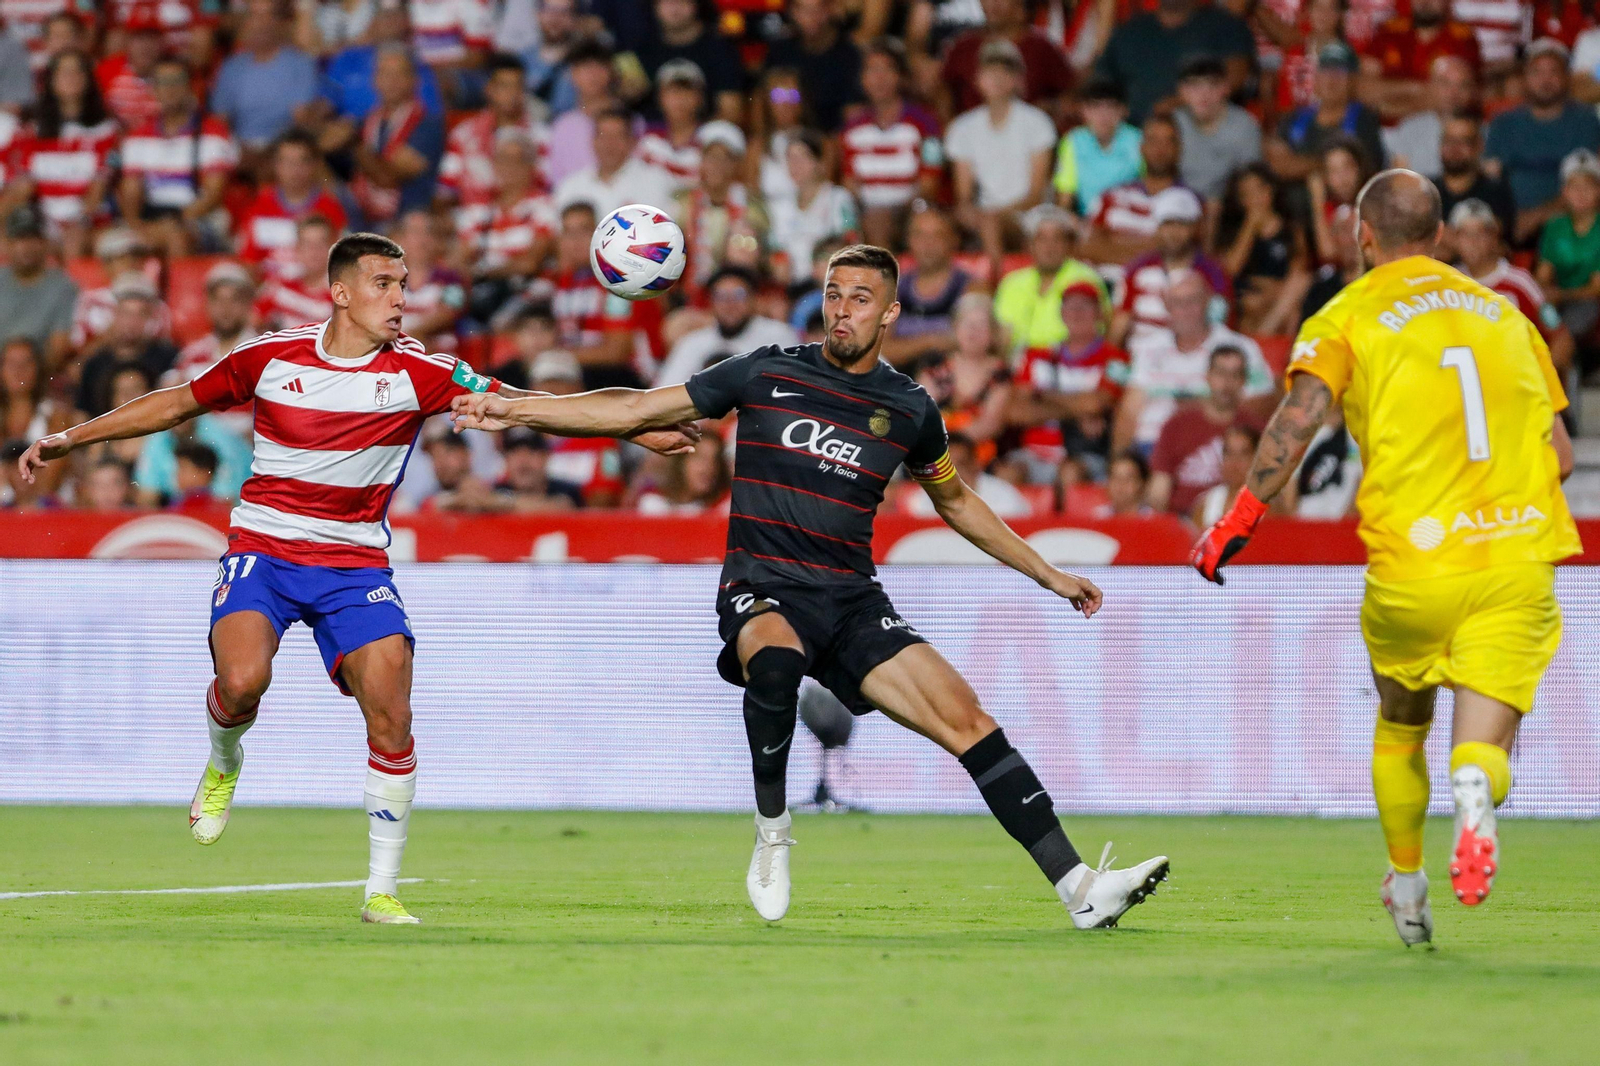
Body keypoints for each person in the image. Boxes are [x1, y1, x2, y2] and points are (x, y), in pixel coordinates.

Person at [450, 243, 1169, 929]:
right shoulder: (767, 371)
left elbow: (957, 502)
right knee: (777, 658)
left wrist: (1046, 572)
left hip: (852, 600)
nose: (842, 310)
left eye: (861, 299)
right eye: (833, 295)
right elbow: (636, 408)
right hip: (762, 580)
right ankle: (772, 831)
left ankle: (1080, 889)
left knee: (968, 720)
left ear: (889, 314)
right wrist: (517, 407)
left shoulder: (910, 409)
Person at [15, 231, 698, 926]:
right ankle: (224, 759)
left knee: (393, 713)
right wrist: (74, 438)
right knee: (243, 682)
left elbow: (528, 402)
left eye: (404, 284)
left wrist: (634, 430)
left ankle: (381, 889)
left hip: (353, 564)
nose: (401, 299)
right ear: (340, 292)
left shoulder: (422, 372)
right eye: (384, 284)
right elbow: (176, 403)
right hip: (266, 553)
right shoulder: (270, 357)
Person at [1192, 169, 1581, 947]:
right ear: (1439, 236)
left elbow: (1298, 419)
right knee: (1481, 744)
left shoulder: (1348, 313)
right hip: (1514, 560)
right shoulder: (1509, 318)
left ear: (1362, 236)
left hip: (1415, 562)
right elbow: (1563, 458)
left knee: (1402, 726)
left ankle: (1407, 888)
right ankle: (1476, 789)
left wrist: (1241, 515)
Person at [1116, 269, 1274, 454]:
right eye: (1177, 302)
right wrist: (1119, 461)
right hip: (1150, 446)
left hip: (1214, 448)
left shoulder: (1239, 347)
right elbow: (1129, 412)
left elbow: (1265, 404)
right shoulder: (1149, 348)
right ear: (1167, 306)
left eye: (1192, 301)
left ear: (1207, 301)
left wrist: (1200, 407)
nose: (1185, 310)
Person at [115, 56, 240, 258]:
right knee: (113, 244)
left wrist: (173, 222)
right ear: (153, 89)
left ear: (190, 86)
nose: (169, 89)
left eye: (176, 82)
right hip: (151, 217)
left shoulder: (214, 132)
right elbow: (131, 191)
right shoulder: (137, 137)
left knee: (176, 238)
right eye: (162, 83)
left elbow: (212, 195)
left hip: (199, 219)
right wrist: (136, 225)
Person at [945, 40, 1057, 260]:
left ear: (1017, 79)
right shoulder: (962, 128)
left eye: (1005, 71)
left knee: (991, 223)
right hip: (985, 217)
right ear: (978, 79)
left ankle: (994, 287)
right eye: (989, 70)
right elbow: (964, 195)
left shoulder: (1037, 123)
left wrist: (994, 216)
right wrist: (971, 213)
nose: (997, 77)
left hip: (1029, 217)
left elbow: (1036, 195)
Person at [1012, 280, 1131, 480]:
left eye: (1085, 307)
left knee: (1070, 473)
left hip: (1085, 455)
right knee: (1008, 473)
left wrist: (1040, 395)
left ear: (1100, 313)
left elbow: (1096, 404)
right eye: (1070, 307)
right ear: (1061, 313)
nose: (1076, 313)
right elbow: (1016, 412)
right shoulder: (1036, 355)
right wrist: (1078, 411)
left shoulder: (1118, 359)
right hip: (1034, 452)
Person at [1486, 39, 1600, 242]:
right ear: (1524, 78)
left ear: (1567, 77)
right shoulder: (1503, 122)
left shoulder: (1587, 121)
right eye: (1536, 72)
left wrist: (1537, 217)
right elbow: (1489, 179)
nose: (1545, 80)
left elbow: (1588, 185)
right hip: (1508, 225)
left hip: (1570, 225)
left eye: (1554, 72)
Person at [10, 50, 119, 258]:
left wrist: (74, 223)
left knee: (73, 240)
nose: (71, 78)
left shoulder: (107, 131)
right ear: (51, 81)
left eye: (78, 72)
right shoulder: (32, 131)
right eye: (64, 73)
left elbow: (98, 190)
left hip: (89, 224)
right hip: (40, 225)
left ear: (88, 80)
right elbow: (22, 186)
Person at [840, 37, 944, 248]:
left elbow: (930, 182)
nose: (880, 79)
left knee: (881, 220)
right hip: (867, 214)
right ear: (862, 79)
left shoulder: (927, 123)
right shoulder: (852, 127)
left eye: (887, 70)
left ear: (900, 77)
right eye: (872, 71)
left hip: (912, 210)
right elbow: (849, 181)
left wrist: (897, 211)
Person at [1452, 198, 1575, 375]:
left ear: (1494, 237)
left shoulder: (1520, 282)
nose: (1473, 242)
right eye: (1465, 234)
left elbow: (1561, 338)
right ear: (1454, 239)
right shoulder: (1449, 283)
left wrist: (1537, 381)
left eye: (1481, 233)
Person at [1095, 0, 1257, 122]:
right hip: (1130, 136)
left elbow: (1236, 76)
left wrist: (1184, 102)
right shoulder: (1130, 30)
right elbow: (1100, 78)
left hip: (1201, 132)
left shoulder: (1225, 25)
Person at [1146, 345, 1260, 514]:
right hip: (1181, 519)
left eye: (1235, 375)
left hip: (1237, 518)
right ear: (1208, 376)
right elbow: (1159, 489)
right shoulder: (1176, 425)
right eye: (1221, 373)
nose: (1227, 383)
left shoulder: (1256, 427)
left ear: (1244, 380)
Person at [1112, 186, 1231, 346]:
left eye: (1182, 224)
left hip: (1193, 358)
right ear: (1158, 228)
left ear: (1195, 228)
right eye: (1168, 224)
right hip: (1140, 357)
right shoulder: (1137, 269)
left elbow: (1219, 327)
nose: (1174, 232)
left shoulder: (1213, 273)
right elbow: (1120, 324)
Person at [343, 45, 447, 227]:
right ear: (375, 80)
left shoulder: (428, 125)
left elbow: (386, 178)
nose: (391, 81)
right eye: (385, 74)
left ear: (414, 80)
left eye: (399, 74)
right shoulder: (364, 121)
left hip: (404, 224)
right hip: (363, 218)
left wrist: (352, 142)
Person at [994, 204, 1110, 357]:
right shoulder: (1012, 283)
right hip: (1020, 363)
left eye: (1057, 239)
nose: (1049, 247)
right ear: (1030, 245)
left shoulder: (1085, 278)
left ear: (1067, 245)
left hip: (1070, 362)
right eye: (1041, 239)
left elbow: (1101, 329)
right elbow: (1003, 335)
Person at [437, 52, 550, 208]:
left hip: (523, 219)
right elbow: (446, 189)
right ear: (489, 89)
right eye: (505, 86)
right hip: (471, 220)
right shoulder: (464, 134)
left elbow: (543, 185)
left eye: (518, 86)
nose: (512, 94)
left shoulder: (540, 136)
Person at [655, 267, 799, 386]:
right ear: (710, 303)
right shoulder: (693, 342)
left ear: (754, 299)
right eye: (721, 296)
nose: (730, 304)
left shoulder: (779, 337)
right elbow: (663, 391)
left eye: (738, 295)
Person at [1267, 41, 1385, 186]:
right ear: (1315, 79)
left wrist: (1304, 165)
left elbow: (1363, 171)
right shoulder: (1294, 119)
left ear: (1353, 81)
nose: (1332, 79)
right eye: (1325, 71)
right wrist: (1331, 164)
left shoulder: (1364, 119)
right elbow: (1281, 167)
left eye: (1340, 72)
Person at [237, 131, 351, 280]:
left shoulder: (330, 207)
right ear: (276, 165)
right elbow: (249, 261)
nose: (295, 170)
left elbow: (339, 262)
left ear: (315, 165)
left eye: (302, 162)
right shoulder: (258, 205)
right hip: (269, 291)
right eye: (288, 162)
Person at [209, 0, 320, 152]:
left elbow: (301, 119)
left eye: (268, 15)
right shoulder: (231, 67)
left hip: (282, 150)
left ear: (280, 22)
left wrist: (270, 153)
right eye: (254, 15)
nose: (261, 23)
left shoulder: (300, 64)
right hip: (239, 150)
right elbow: (220, 119)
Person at [1215, 163, 1312, 335]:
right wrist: (1250, 227)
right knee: (1252, 305)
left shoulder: (1292, 229)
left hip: (1281, 296)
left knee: (1294, 308)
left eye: (1259, 190)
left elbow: (1299, 271)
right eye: (1247, 194)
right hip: (1247, 299)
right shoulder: (1233, 231)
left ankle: (1264, 335)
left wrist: (1273, 290)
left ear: (1271, 190)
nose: (1255, 198)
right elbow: (1230, 269)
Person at [1079, 113, 1186, 267]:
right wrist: (1150, 248)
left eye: (1168, 141)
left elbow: (1179, 256)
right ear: (1141, 147)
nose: (1160, 149)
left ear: (1179, 149)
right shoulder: (1111, 197)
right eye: (1153, 140)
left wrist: (1113, 244)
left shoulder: (1189, 203)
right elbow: (1086, 247)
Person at [938, 0, 1073, 117]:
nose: (992, 4)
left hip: (1028, 140)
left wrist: (1051, 109)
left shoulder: (1041, 47)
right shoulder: (964, 46)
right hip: (971, 142)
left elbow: (1070, 93)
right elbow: (943, 91)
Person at [766, 130, 860, 288]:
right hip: (792, 284)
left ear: (818, 162)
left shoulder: (838, 199)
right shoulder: (780, 206)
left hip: (828, 283)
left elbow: (850, 240)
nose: (795, 165)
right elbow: (775, 247)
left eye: (802, 158)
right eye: (790, 158)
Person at [1361, 0, 1481, 122]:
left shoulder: (1461, 38)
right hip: (1385, 128)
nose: (1425, 2)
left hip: (1439, 126)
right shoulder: (1389, 31)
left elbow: (1460, 97)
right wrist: (1419, 89)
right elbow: (1365, 89)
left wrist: (1389, 102)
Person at [882, 205, 971, 366]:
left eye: (937, 235)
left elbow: (972, 344)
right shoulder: (894, 289)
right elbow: (881, 350)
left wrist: (906, 347)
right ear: (908, 241)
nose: (928, 244)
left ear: (954, 240)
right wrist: (930, 342)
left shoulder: (970, 287)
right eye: (919, 235)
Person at [1535, 149, 1600, 365]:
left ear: (1598, 190)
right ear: (1564, 191)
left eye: (1588, 186)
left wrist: (1559, 294)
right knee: (1539, 316)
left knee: (1567, 329)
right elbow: (1543, 275)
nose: (1581, 193)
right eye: (1574, 186)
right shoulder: (1555, 226)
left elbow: (1596, 289)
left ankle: (1553, 378)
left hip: (1589, 303)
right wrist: (1544, 293)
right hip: (1558, 301)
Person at [554, 107, 676, 219]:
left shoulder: (655, 181)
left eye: (618, 136)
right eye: (603, 135)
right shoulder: (570, 187)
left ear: (632, 141)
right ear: (593, 141)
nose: (609, 144)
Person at [1173, 55, 1262, 203]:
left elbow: (1251, 181)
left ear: (1226, 87)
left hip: (1229, 208)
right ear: (1181, 91)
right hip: (1178, 206)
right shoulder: (1172, 124)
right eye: (1194, 85)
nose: (1204, 94)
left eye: (1213, 84)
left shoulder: (1244, 126)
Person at [766, 0, 865, 133]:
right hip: (787, 136)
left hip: (834, 138)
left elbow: (854, 115)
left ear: (830, 10)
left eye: (817, 10)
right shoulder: (780, 52)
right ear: (792, 12)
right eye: (803, 10)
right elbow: (762, 103)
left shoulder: (849, 54)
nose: (811, 17)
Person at [0, 205, 78, 370]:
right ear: (7, 243)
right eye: (20, 239)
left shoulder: (63, 287)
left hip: (39, 377)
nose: (27, 246)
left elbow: (58, 349)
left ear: (45, 244)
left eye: (33, 239)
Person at [1052, 77, 1141, 216]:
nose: (1103, 115)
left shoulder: (1138, 139)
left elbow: (1151, 187)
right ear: (1083, 111)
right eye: (1095, 106)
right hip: (1086, 221)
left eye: (1111, 106)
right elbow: (1065, 196)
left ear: (1124, 110)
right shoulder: (1073, 141)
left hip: (1130, 218)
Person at [1381, 54, 1476, 180]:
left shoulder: (1484, 132)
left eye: (1463, 85)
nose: (1454, 93)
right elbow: (1399, 182)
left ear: (1472, 91)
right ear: (1431, 86)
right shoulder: (1409, 129)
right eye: (1445, 83)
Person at [1433, 113, 1518, 249]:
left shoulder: (1495, 191)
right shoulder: (1428, 191)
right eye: (1449, 141)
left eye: (1464, 141)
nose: (1455, 148)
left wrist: (1438, 236)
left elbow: (1492, 246)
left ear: (1479, 146)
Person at [635, 59, 707, 195]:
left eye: (687, 91)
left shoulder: (711, 141)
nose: (680, 99)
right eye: (673, 92)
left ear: (700, 98)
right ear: (660, 97)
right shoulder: (647, 140)